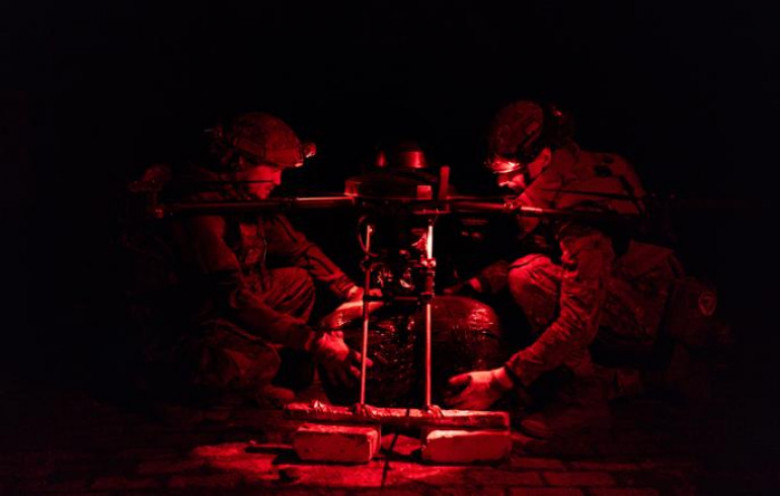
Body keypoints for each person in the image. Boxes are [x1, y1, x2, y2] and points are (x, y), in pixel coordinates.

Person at [444, 101, 694, 438]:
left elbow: (579, 321)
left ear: (544, 156)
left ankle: (585, 400)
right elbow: (546, 252)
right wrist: (474, 286)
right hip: (628, 292)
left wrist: (501, 380)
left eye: (514, 169)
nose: (505, 182)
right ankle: (616, 382)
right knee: (527, 270)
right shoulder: (563, 177)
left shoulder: (581, 208)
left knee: (529, 276)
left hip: (648, 313)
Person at [132, 112, 369, 409]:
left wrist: (351, 290)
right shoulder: (197, 209)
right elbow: (233, 298)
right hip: (180, 327)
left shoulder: (239, 196)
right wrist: (313, 341)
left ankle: (251, 363)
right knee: (262, 361)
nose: (278, 180)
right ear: (241, 162)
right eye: (273, 168)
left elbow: (299, 249)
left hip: (213, 311)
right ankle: (206, 395)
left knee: (296, 283)